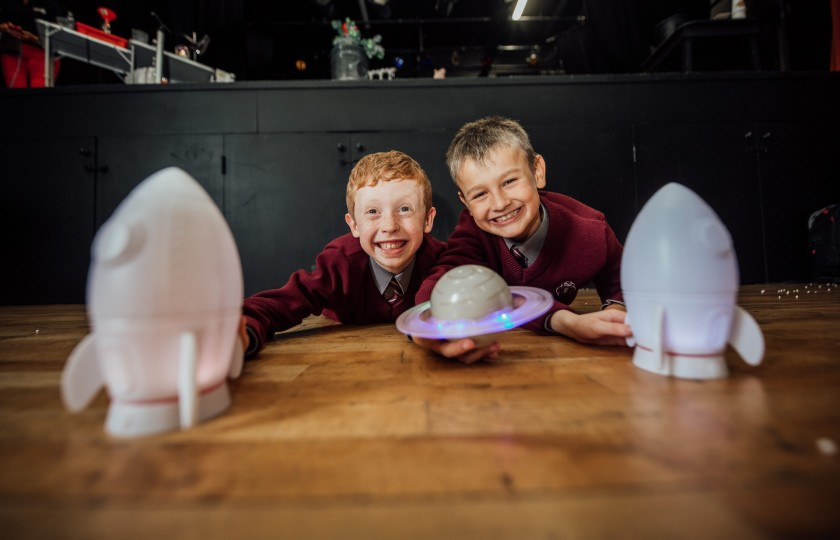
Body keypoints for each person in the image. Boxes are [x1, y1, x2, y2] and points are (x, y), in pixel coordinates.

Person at [412, 116, 631, 364]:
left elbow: (625, 284)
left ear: (537, 171)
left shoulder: (590, 231)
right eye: (480, 194)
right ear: (466, 203)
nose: (500, 203)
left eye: (509, 181)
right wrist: (566, 321)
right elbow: (433, 292)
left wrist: (614, 317)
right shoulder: (472, 233)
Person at [239, 150, 445, 358]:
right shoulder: (340, 263)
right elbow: (279, 303)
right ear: (354, 225)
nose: (389, 226)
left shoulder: (442, 259)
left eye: (404, 209)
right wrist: (243, 331)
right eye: (373, 212)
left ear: (427, 219)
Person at [0, 0, 61, 88]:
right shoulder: (8, 3)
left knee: (40, 94)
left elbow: (59, 35)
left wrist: (35, 39)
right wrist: (3, 27)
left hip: (42, 52)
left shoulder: (50, 4)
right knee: (15, 95)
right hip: (13, 50)